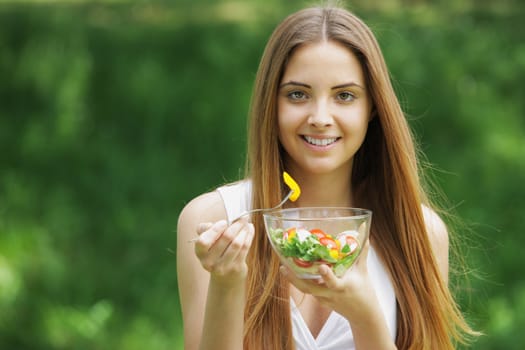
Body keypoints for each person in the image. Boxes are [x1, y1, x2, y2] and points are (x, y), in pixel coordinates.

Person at [177, 4, 478, 350]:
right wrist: (227, 285)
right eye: (297, 94)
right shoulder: (216, 221)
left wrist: (364, 313)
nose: (320, 117)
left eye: (344, 96)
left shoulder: (420, 232)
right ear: (270, 105)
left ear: (373, 107)